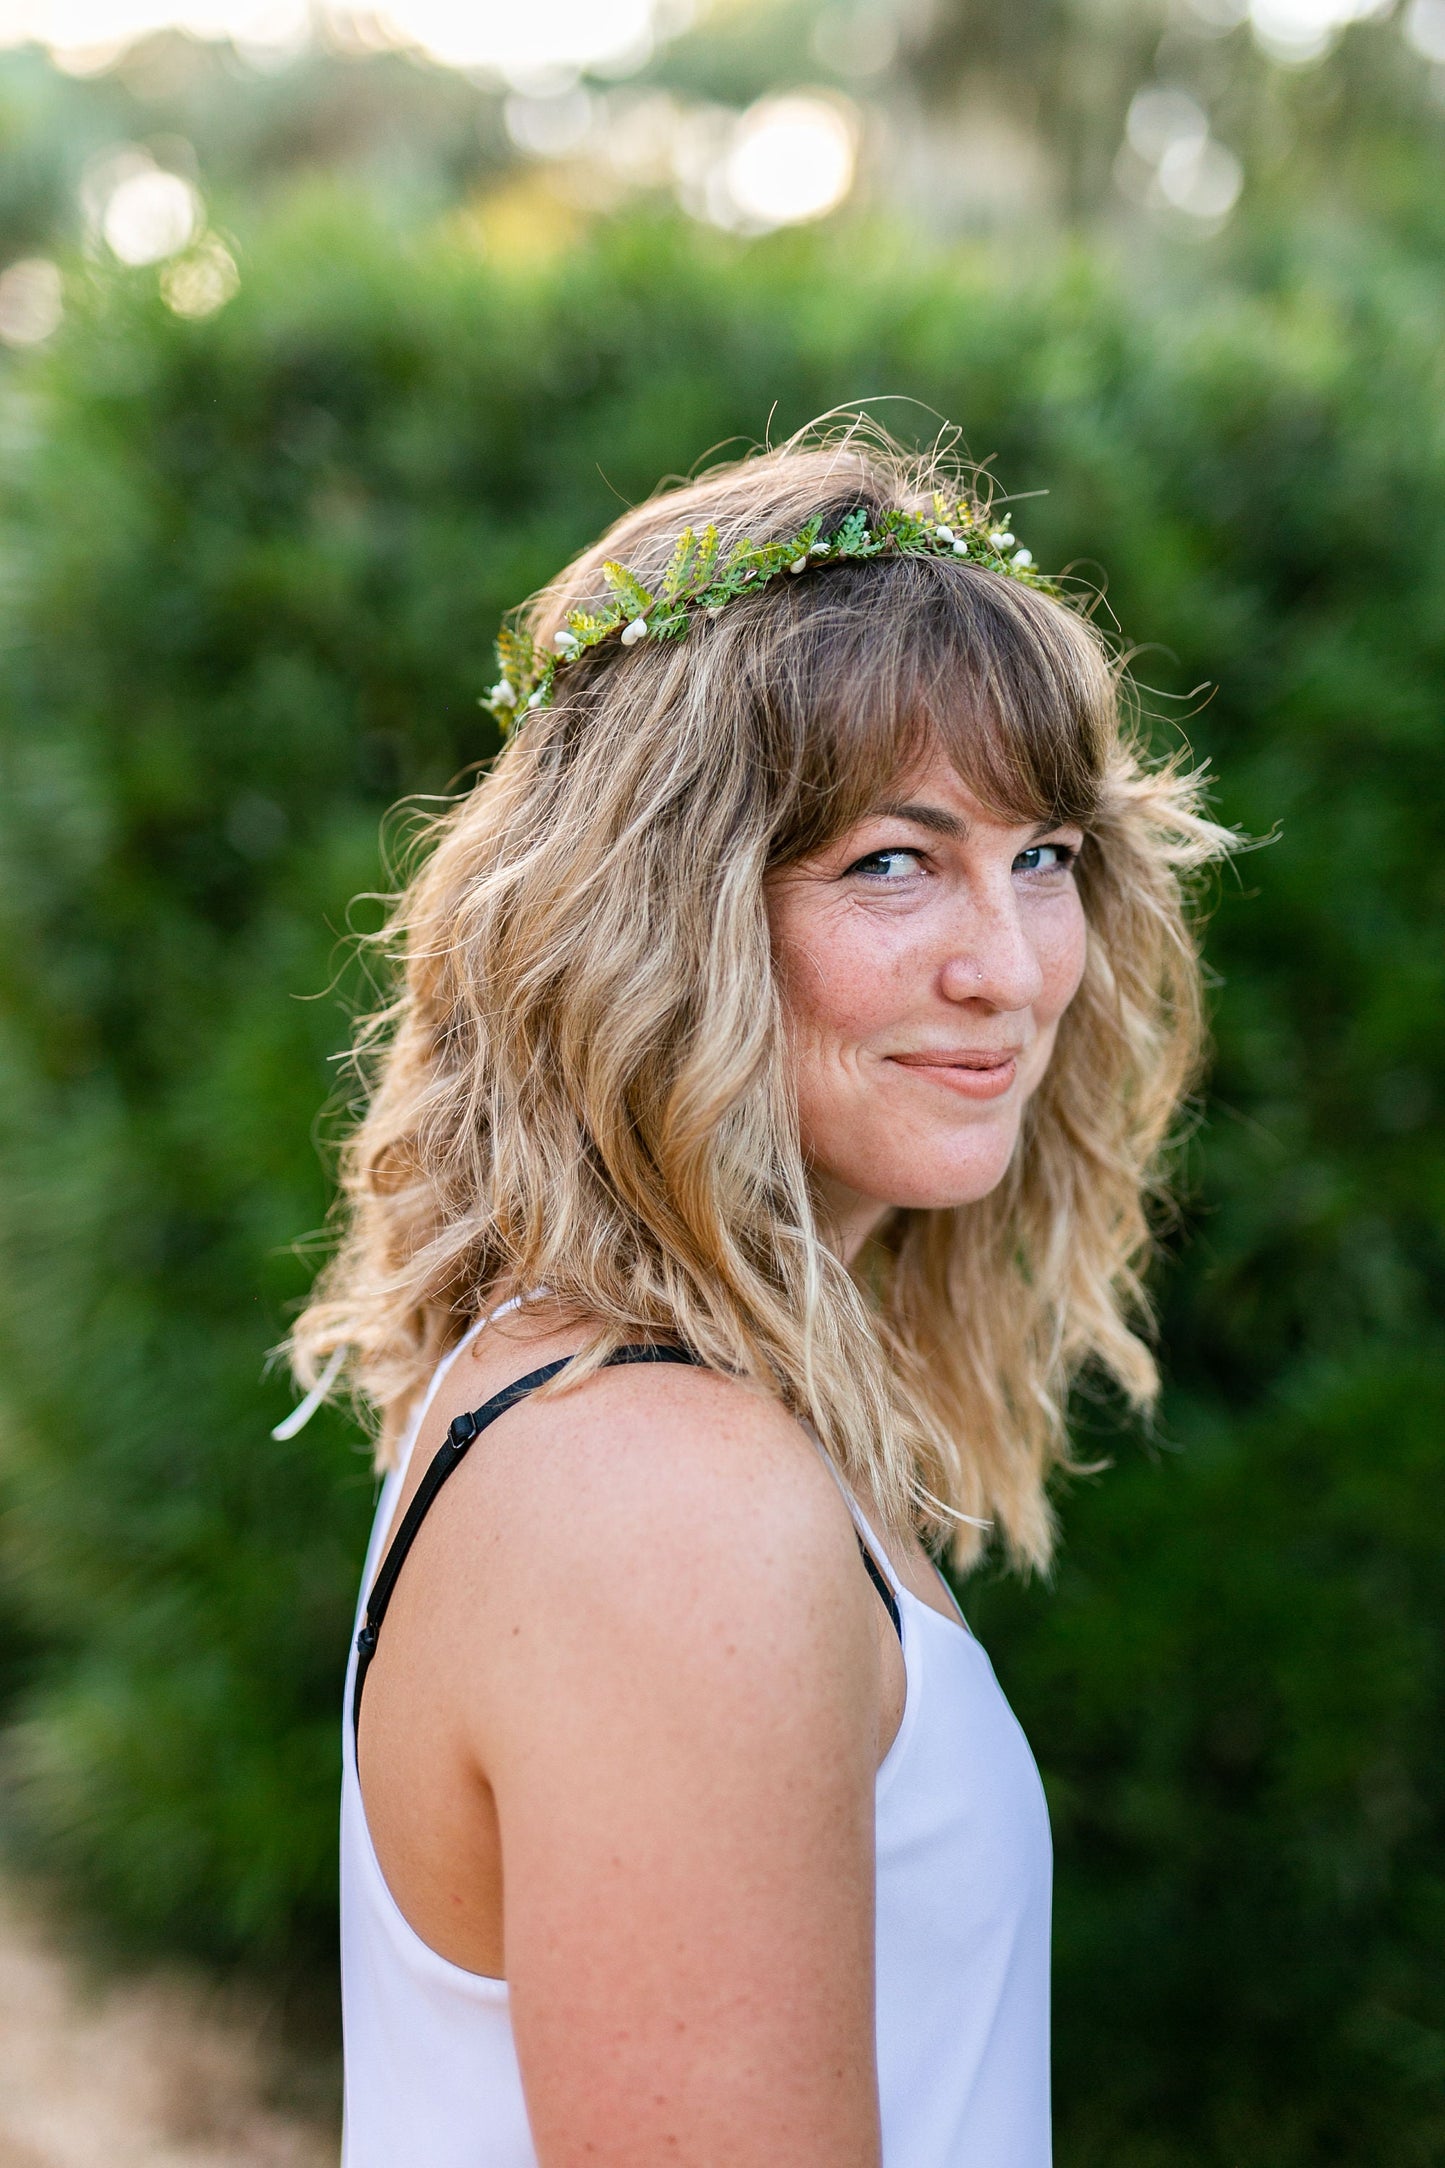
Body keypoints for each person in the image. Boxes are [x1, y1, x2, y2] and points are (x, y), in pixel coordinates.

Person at [284, 423, 1233, 2167]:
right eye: (893, 860)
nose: (1005, 967)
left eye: (1040, 858)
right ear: (664, 910)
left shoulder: (602, 1397)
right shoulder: (663, 1495)